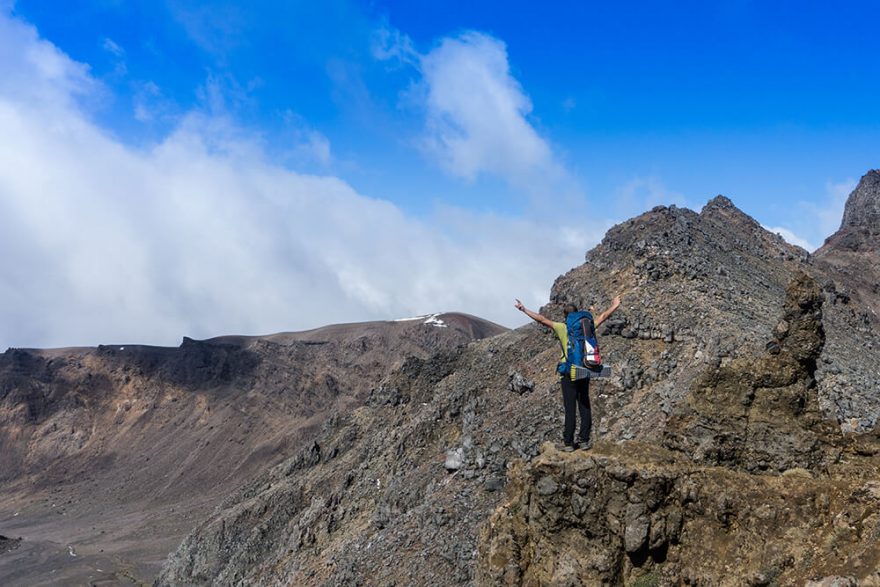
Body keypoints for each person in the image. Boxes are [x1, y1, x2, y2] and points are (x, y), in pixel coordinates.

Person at [514, 296, 621, 451]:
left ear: (566, 317)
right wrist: (615, 305)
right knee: (584, 404)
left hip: (568, 372)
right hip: (584, 369)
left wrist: (524, 309)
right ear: (577, 314)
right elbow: (603, 316)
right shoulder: (587, 326)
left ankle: (569, 443)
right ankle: (584, 440)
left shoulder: (562, 328)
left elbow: (542, 319)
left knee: (570, 408)